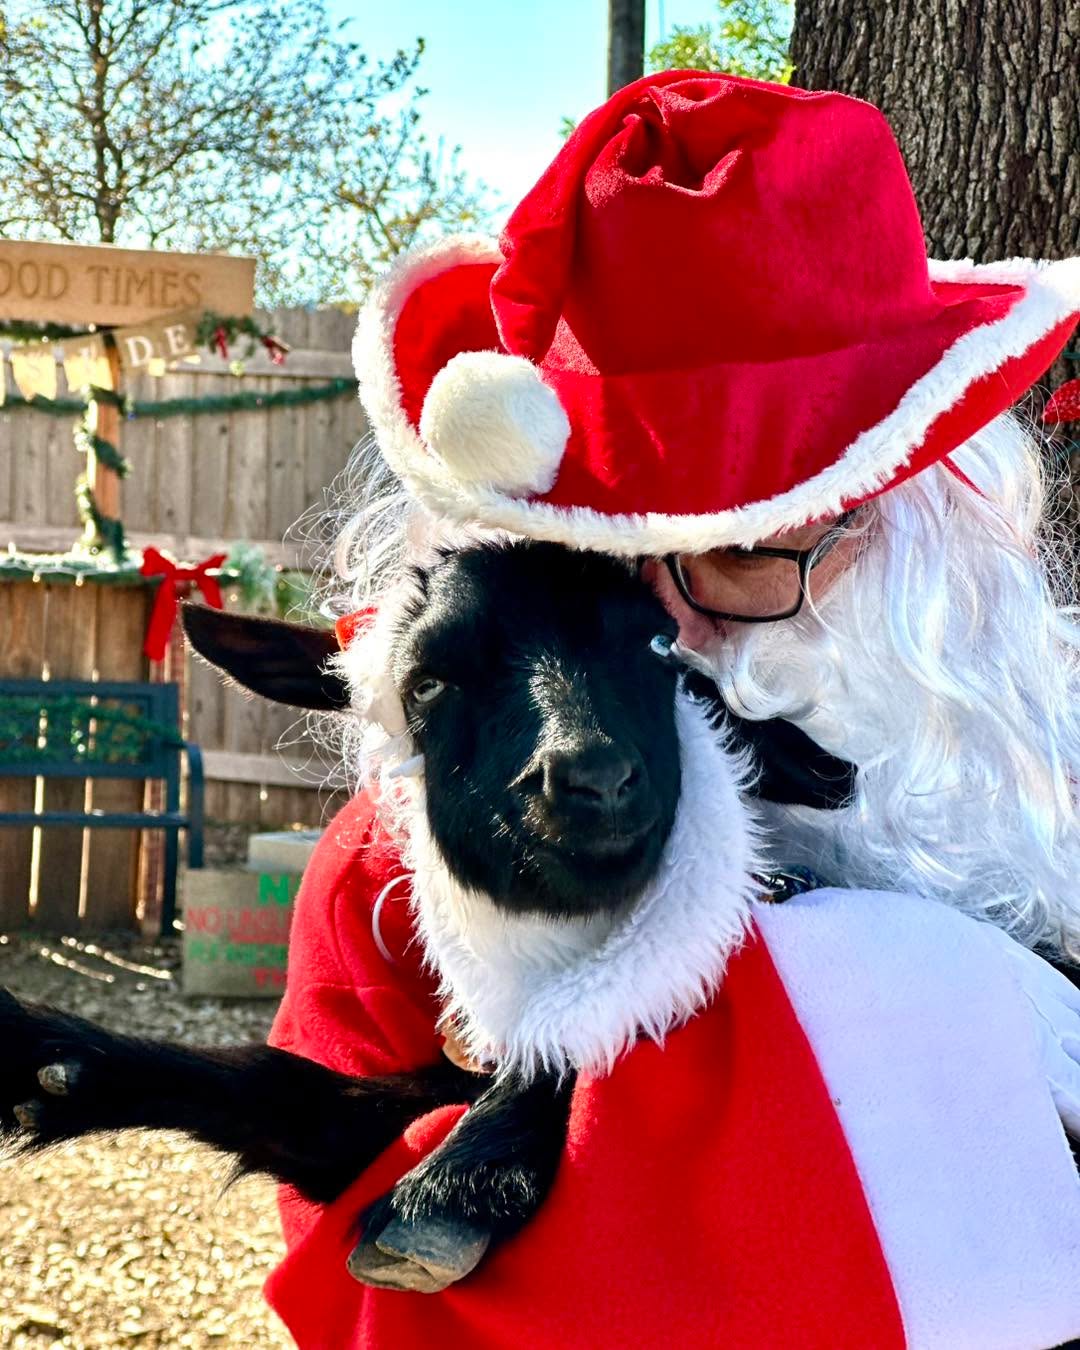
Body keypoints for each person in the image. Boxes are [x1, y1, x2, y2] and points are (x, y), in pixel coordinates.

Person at [263, 72, 1080, 1347]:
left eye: (747, 548)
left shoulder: (1030, 791)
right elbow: (353, 1279)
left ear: (916, 537)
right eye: (587, 552)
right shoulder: (388, 871)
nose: (661, 633)